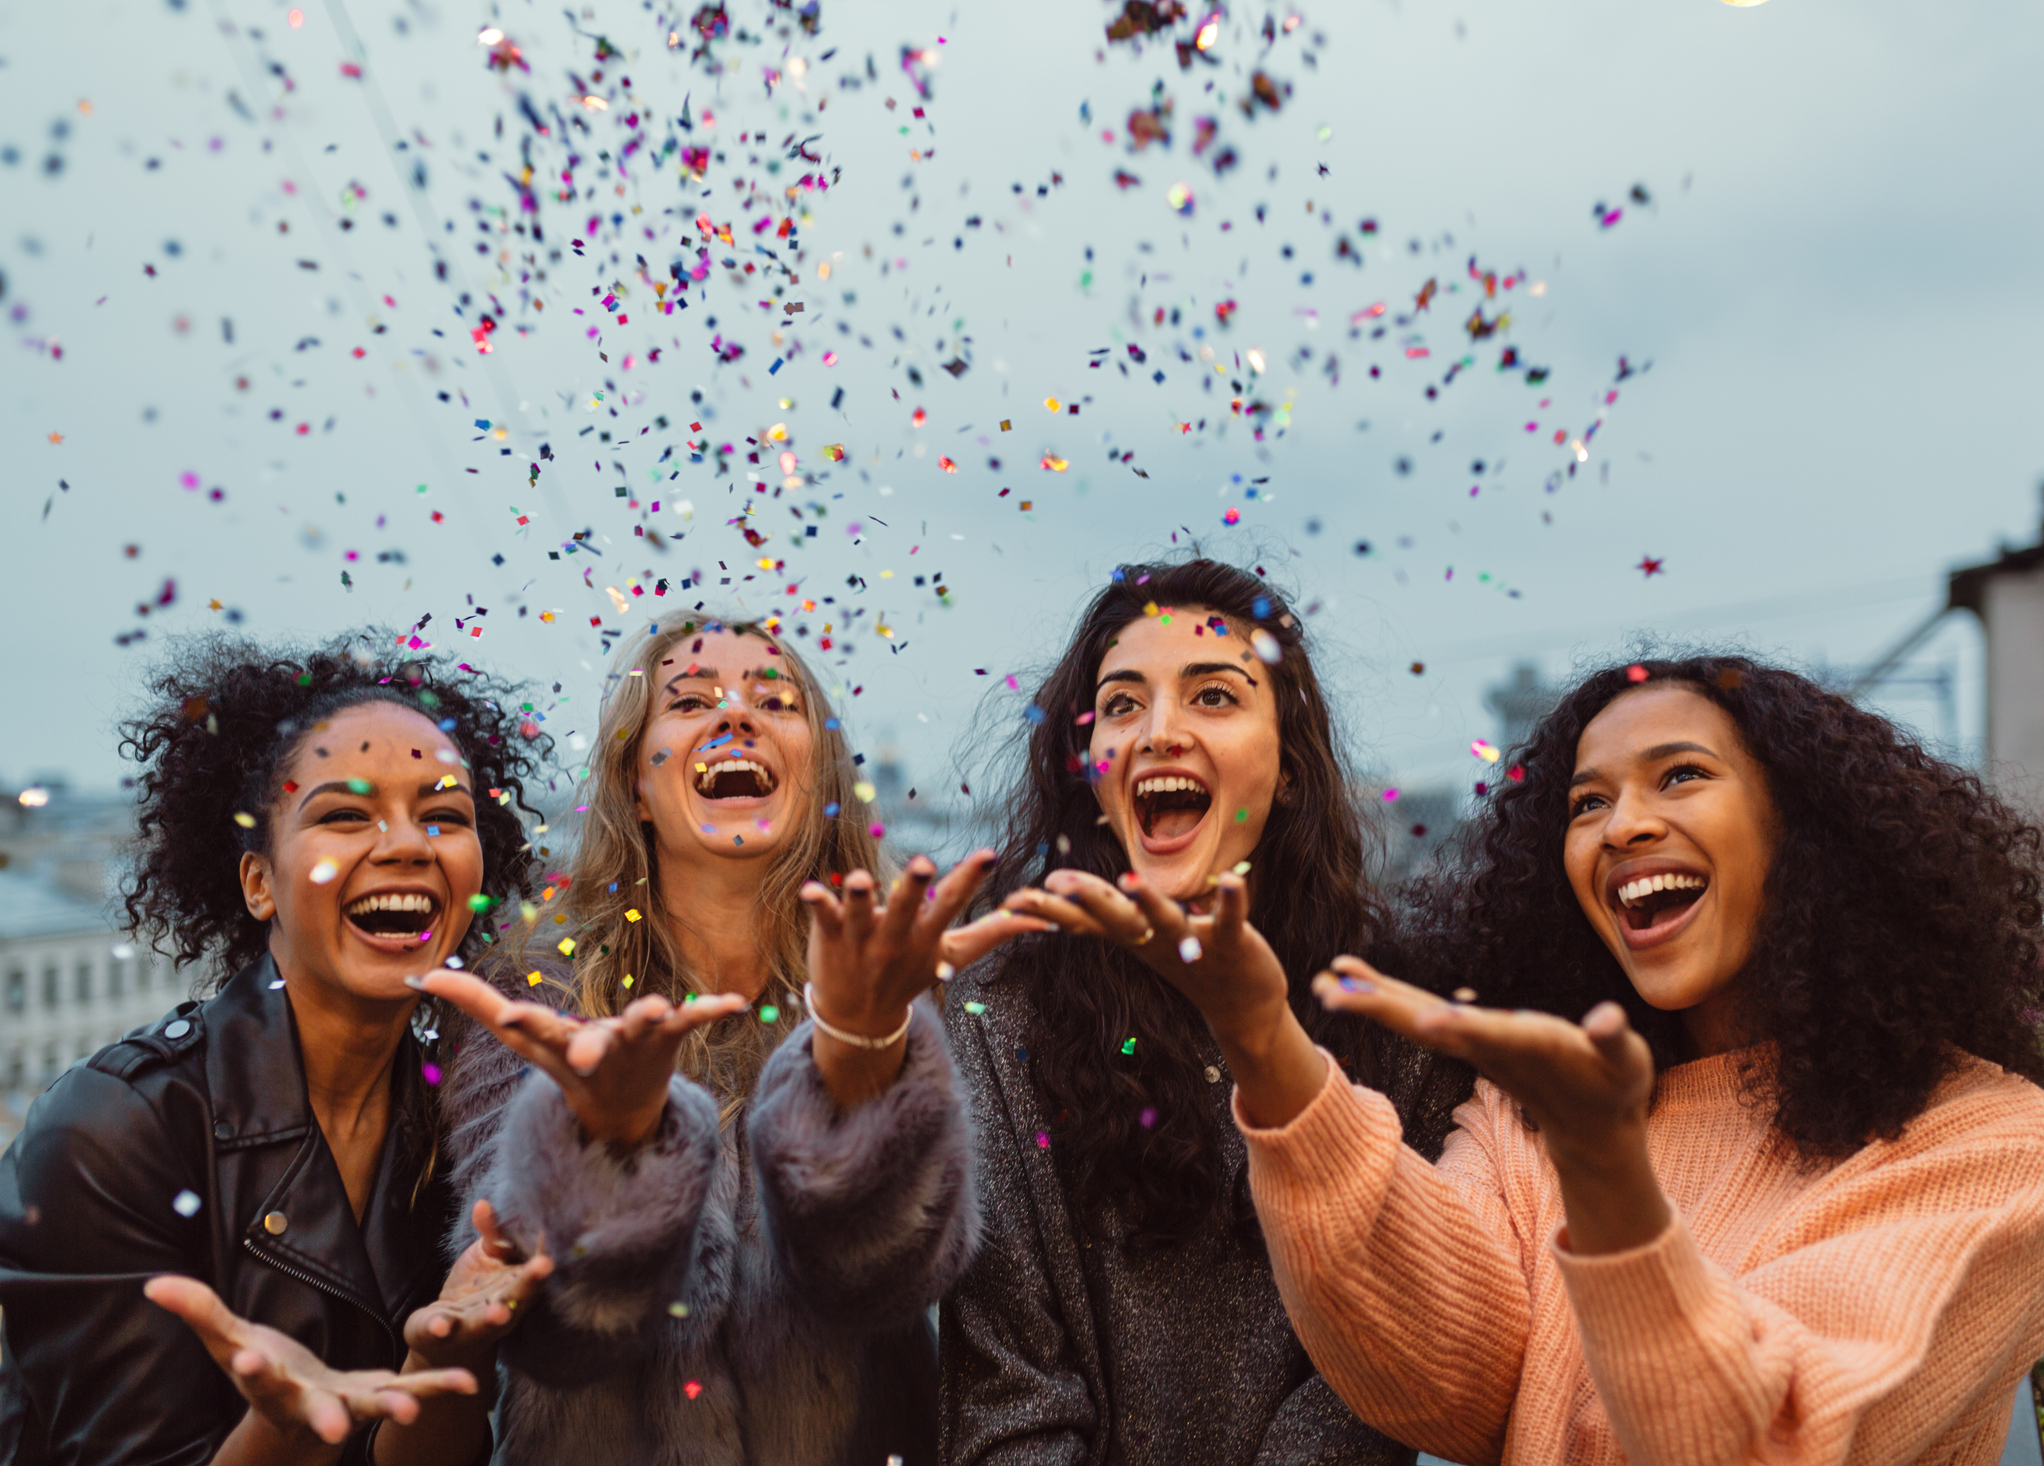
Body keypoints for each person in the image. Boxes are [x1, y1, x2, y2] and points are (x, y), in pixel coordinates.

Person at [1027, 653, 2044, 1465]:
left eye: (1679, 774)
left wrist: (1605, 1169)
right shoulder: (1528, 1114)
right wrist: (1259, 1033)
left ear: (1809, 829)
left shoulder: (1995, 1141)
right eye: (1584, 803)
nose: (1623, 825)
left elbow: (1763, 1442)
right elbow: (1440, 1380)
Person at [419, 614, 1035, 1466]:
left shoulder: (904, 981)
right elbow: (544, 1334)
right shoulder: (532, 992)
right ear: (635, 783)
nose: (735, 716)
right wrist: (609, 1142)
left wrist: (861, 1052)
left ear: (819, 772)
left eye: (774, 700)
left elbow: (892, 1283)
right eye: (691, 700)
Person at [943, 559, 1468, 1465]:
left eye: (1214, 697)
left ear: (1292, 768)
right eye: (1121, 704)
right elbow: (1009, 1395)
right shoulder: (997, 1012)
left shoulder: (1402, 1012)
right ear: (1089, 779)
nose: (1159, 733)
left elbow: (1376, 1382)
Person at [0, 634, 556, 1466]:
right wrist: (283, 1432)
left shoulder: (478, 1111)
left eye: (444, 815)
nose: (408, 845)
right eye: (343, 814)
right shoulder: (107, 1134)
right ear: (258, 881)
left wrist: (445, 1360)